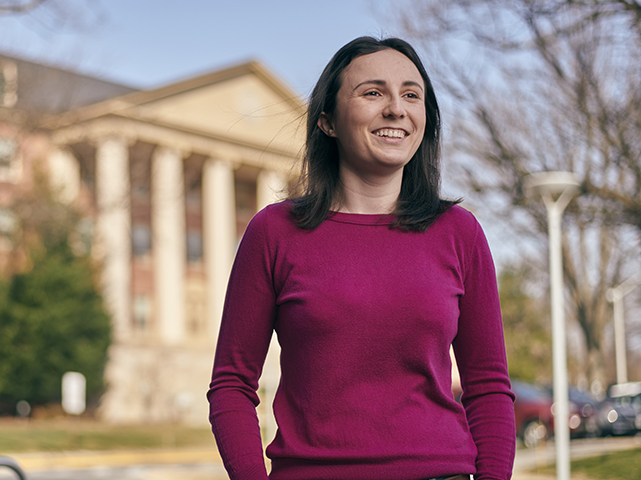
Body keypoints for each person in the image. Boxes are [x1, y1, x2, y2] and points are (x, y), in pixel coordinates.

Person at [207, 37, 516, 480]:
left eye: (412, 95)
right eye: (373, 93)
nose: (396, 108)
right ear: (327, 121)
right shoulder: (274, 232)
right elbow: (232, 386)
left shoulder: (458, 232)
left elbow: (487, 388)